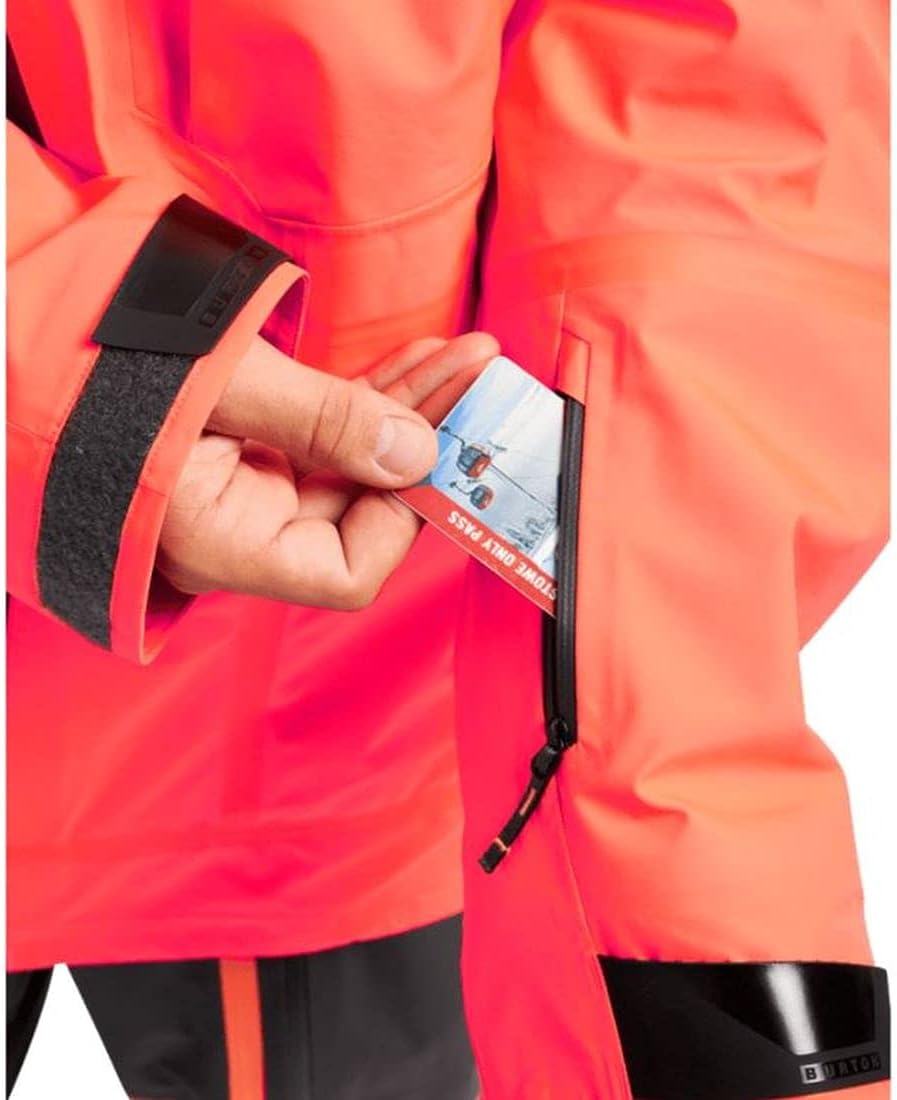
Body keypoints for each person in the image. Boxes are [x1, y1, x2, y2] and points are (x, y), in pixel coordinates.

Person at [7, 2, 890, 1099]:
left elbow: (702, 151)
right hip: (318, 692)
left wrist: (690, 915)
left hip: (324, 735)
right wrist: (76, 371)